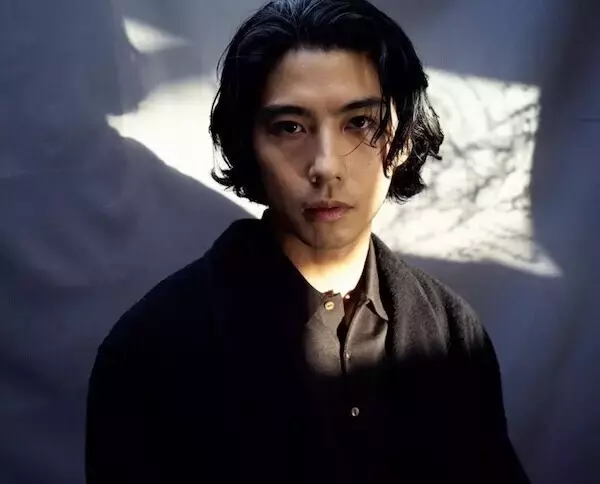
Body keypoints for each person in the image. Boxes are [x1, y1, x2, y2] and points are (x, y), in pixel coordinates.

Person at [85, 0, 530, 482]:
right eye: (290, 127)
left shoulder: (454, 335)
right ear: (249, 146)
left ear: (402, 139)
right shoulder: (149, 352)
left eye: (359, 122)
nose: (325, 166)